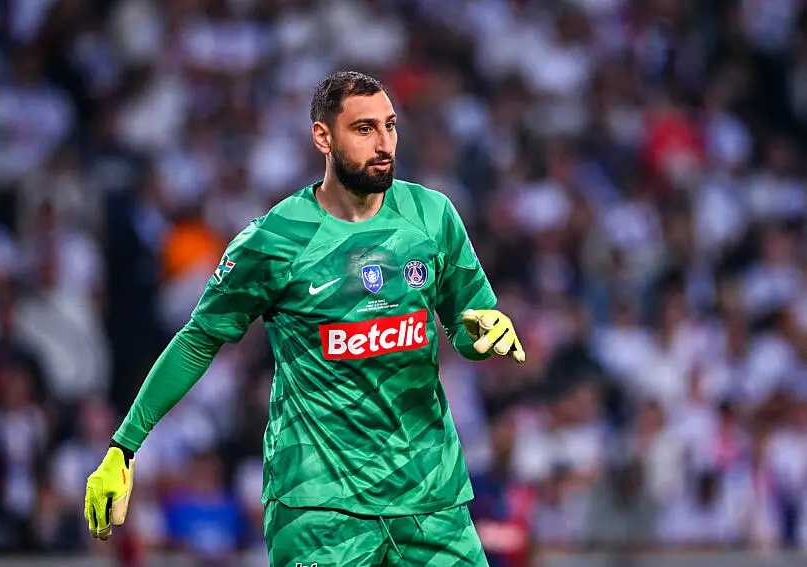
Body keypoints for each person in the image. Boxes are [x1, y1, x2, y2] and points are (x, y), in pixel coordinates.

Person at [84, 71, 526, 567]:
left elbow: (467, 326)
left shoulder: (433, 215)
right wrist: (124, 447)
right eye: (364, 129)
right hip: (320, 506)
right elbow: (197, 340)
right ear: (323, 137)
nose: (384, 144)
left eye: (390, 125)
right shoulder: (275, 239)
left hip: (429, 494)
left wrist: (485, 334)